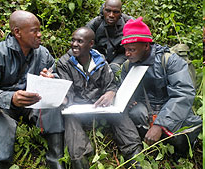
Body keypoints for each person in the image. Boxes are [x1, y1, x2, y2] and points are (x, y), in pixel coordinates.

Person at [0, 10, 64, 169]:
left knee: (53, 106)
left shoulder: (42, 53)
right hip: (4, 108)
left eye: (40, 30)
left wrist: (51, 80)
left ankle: (56, 160)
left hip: (32, 106)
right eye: (34, 31)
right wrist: (9, 98)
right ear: (17, 32)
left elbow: (56, 73)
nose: (40, 35)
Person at [57, 27, 142, 168]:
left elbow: (110, 84)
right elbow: (68, 93)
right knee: (70, 120)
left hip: (100, 107)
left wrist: (110, 93)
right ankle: (80, 161)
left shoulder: (100, 61)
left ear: (91, 44)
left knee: (119, 113)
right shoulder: (64, 63)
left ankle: (135, 157)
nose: (74, 44)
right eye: (73, 40)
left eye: (80, 41)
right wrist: (63, 99)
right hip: (77, 109)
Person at [120, 17, 202, 158]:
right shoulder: (127, 66)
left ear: (146, 46)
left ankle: (179, 154)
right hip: (146, 112)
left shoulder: (169, 61)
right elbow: (126, 93)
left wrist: (160, 124)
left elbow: (183, 93)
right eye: (126, 50)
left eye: (132, 50)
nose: (127, 54)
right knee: (135, 112)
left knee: (185, 130)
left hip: (171, 110)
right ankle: (152, 150)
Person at [86, 0, 134, 74]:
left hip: (121, 56)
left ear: (121, 12)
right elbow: (81, 43)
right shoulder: (95, 23)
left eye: (116, 12)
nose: (111, 15)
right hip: (98, 57)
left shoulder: (129, 23)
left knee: (114, 68)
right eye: (108, 11)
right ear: (103, 10)